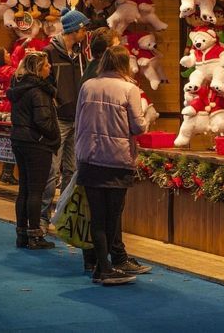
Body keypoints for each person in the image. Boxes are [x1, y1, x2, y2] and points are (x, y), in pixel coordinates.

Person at [75, 46, 148, 286]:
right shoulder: (130, 89)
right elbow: (138, 127)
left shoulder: (88, 86)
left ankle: (101, 267)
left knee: (97, 216)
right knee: (112, 217)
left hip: (89, 157)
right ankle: (107, 268)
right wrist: (148, 116)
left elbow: (78, 120)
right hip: (116, 159)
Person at [41, 9, 89, 225]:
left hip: (77, 117)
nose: (85, 32)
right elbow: (45, 82)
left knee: (71, 169)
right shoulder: (50, 52)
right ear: (75, 29)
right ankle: (42, 214)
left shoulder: (81, 54)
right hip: (59, 118)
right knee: (52, 168)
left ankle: (63, 215)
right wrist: (57, 101)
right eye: (83, 28)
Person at [6, 52, 59, 249]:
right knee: (36, 190)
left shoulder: (18, 87)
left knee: (24, 189)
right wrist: (53, 137)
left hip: (20, 140)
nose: (50, 68)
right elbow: (43, 120)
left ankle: (22, 233)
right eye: (46, 65)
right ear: (38, 69)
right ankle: (35, 235)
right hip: (37, 143)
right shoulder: (39, 91)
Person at [0, 47, 18, 185]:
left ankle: (5, 172)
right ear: (2, 57)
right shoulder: (10, 71)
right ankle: (7, 172)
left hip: (2, 106)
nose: (9, 54)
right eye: (7, 53)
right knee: (12, 141)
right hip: (11, 107)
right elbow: (19, 71)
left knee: (6, 141)